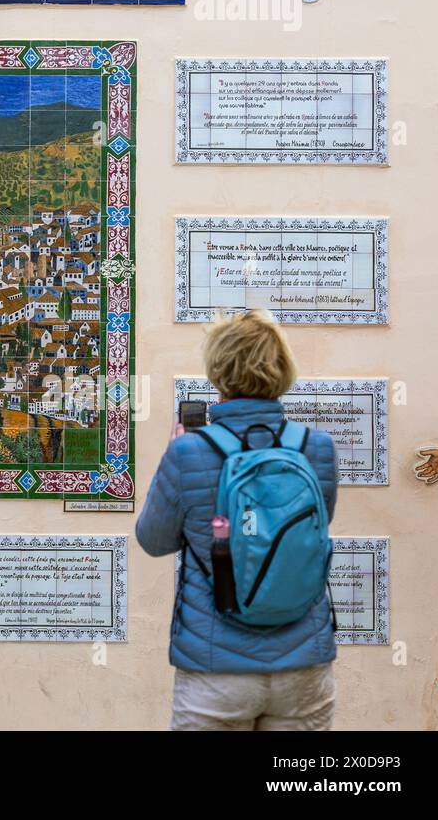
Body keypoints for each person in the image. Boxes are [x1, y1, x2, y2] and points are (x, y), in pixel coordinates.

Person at [136, 311, 339, 731]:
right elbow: (309, 538)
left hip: (216, 666)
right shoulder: (316, 448)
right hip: (303, 664)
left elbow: (153, 540)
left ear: (218, 371)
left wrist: (172, 458)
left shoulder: (189, 452)